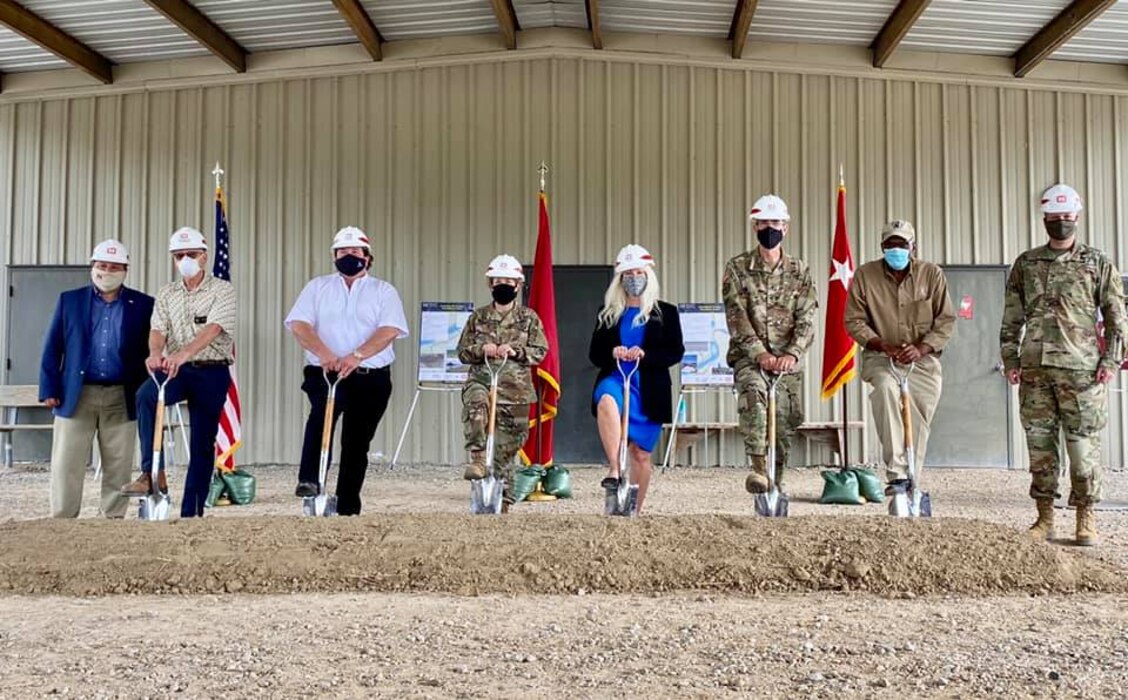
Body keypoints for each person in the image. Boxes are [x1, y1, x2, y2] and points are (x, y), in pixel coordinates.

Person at [1000, 184, 1126, 546]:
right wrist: (1010, 358)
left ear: (1077, 217)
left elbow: (1118, 318)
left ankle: (1086, 519)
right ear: (1044, 219)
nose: (1061, 223)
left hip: (1082, 373)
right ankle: (1045, 518)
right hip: (1035, 373)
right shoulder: (1026, 264)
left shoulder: (1098, 263)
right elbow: (1010, 319)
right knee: (1041, 450)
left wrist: (1111, 360)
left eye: (1067, 217)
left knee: (1083, 450)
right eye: (1054, 218)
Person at [285, 226, 408, 516]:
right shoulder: (317, 287)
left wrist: (357, 355)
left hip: (370, 377)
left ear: (368, 257)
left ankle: (348, 505)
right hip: (325, 372)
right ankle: (310, 481)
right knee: (320, 420)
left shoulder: (383, 291)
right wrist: (325, 354)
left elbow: (389, 329)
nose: (348, 256)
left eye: (355, 252)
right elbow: (299, 325)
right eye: (342, 251)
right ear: (334, 256)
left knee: (356, 441)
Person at [121, 227, 238, 518]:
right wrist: (155, 353)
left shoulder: (222, 290)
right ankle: (151, 473)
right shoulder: (167, 293)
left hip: (212, 371)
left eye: (192, 254)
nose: (185, 259)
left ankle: (192, 511)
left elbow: (213, 329)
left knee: (202, 442)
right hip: (176, 371)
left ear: (204, 256)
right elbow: (158, 329)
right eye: (180, 255)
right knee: (146, 396)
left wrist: (183, 354)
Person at [39, 240, 154, 518]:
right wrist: (49, 388)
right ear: (92, 267)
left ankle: (112, 520)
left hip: (122, 395)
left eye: (114, 267)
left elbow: (153, 348)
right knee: (67, 461)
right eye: (102, 266)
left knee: (119, 462)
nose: (107, 271)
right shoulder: (70, 300)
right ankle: (63, 520)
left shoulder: (143, 304)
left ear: (125, 270)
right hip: (76, 394)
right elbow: (53, 346)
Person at [844, 219, 955, 494]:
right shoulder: (865, 275)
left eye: (902, 245)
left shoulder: (932, 275)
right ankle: (897, 474)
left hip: (923, 360)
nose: (897, 250)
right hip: (881, 357)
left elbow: (946, 320)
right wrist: (883, 345)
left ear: (912, 246)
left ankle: (912, 479)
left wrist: (922, 348)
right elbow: (854, 320)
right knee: (885, 390)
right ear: (883, 246)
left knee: (918, 417)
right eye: (891, 245)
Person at [722, 194, 817, 494]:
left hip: (787, 359)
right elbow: (736, 315)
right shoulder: (737, 268)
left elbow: (807, 315)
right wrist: (759, 353)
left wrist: (792, 352)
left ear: (785, 228)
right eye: (763, 223)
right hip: (750, 358)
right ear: (754, 226)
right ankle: (759, 468)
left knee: (785, 421)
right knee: (755, 397)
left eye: (775, 223)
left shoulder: (799, 271)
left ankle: (776, 483)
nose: (769, 228)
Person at [589, 244, 684, 515]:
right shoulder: (607, 313)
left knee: (641, 455)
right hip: (616, 378)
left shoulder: (666, 312)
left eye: (639, 272)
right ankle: (614, 469)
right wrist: (613, 351)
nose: (634, 278)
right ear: (619, 279)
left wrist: (646, 354)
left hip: (648, 386)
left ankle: (634, 510)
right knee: (606, 399)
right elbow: (594, 354)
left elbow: (675, 351)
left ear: (648, 275)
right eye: (628, 273)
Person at [457, 254, 548, 510]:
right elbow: (462, 351)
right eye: (499, 281)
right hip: (482, 380)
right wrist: (481, 349)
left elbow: (540, 351)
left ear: (518, 285)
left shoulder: (529, 318)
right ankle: (476, 457)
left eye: (509, 281)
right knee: (476, 404)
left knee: (505, 451)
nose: (504, 285)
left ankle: (502, 501)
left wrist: (516, 351)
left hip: (516, 392)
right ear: (491, 284)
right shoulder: (478, 317)